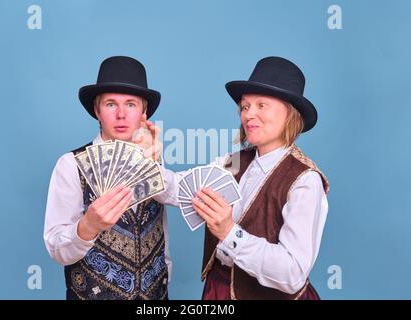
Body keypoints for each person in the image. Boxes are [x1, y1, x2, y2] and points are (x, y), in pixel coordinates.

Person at [154, 56, 329, 299]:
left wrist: (229, 232)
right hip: (219, 290)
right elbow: (178, 188)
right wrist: (143, 161)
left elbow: (292, 274)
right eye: (245, 107)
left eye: (261, 105)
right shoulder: (231, 162)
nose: (248, 115)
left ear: (290, 114)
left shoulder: (305, 181)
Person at [44, 56, 171, 300]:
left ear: (144, 112)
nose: (121, 114)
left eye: (131, 104)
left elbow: (161, 237)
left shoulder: (154, 163)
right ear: (97, 110)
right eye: (111, 104)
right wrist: (87, 227)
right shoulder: (70, 165)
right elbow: (57, 249)